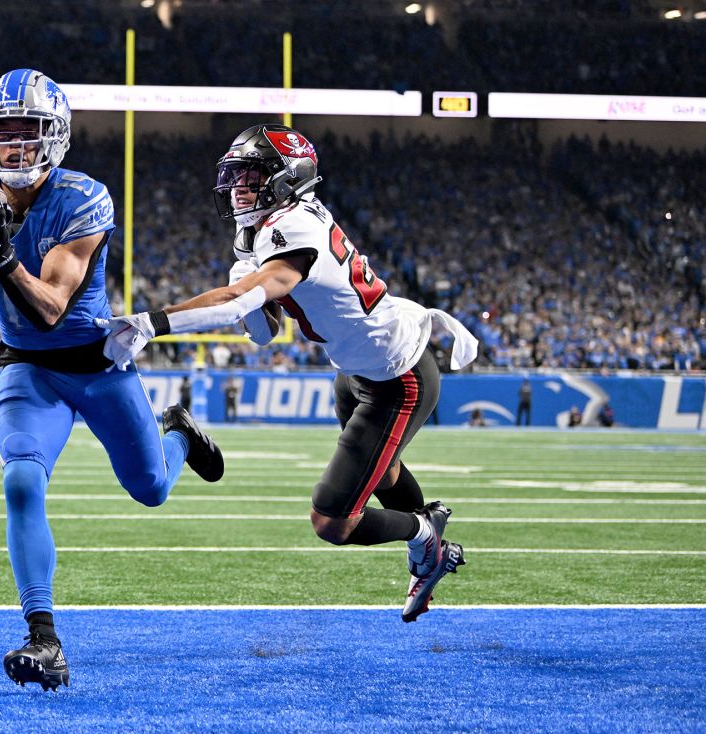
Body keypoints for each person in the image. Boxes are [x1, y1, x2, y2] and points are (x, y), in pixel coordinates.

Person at [0, 69, 223, 691]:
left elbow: (51, 305)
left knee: (152, 489)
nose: (15, 147)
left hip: (98, 365)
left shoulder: (83, 197)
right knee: (22, 482)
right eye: (3, 132)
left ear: (56, 137)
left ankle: (177, 433)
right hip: (29, 368)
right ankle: (43, 637)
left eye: (29, 133)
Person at [98, 124, 478, 623]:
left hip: (396, 378)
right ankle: (427, 542)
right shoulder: (268, 227)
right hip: (357, 371)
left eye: (251, 177)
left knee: (332, 521)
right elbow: (265, 329)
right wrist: (250, 289)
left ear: (286, 179)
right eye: (234, 177)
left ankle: (425, 535)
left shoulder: (293, 228)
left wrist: (151, 323)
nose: (237, 189)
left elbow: (239, 305)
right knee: (381, 471)